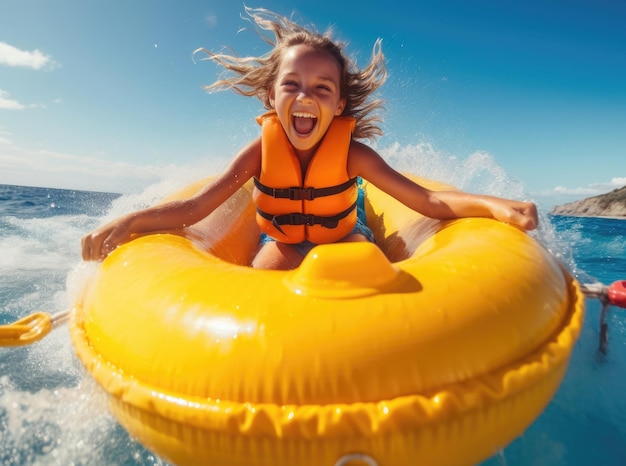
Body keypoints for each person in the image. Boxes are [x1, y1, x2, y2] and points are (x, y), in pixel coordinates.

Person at [82, 7, 538, 270]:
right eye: (292, 84)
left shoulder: (354, 156)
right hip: (281, 240)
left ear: (339, 104)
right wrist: (131, 221)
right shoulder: (260, 153)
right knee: (265, 279)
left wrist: (494, 205)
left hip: (343, 236)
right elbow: (196, 209)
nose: (306, 96)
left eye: (322, 88)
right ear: (270, 94)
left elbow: (429, 203)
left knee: (365, 269)